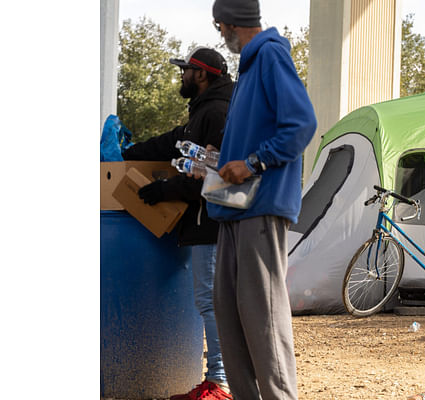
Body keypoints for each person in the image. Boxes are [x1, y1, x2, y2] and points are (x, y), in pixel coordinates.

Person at [208, 0, 317, 399]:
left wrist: (254, 162)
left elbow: (302, 123)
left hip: (261, 207)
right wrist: (213, 163)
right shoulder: (250, 68)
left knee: (262, 318)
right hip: (235, 209)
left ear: (230, 23)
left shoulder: (269, 55)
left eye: (220, 26)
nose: (220, 34)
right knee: (231, 315)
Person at [121, 46, 234, 400]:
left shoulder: (216, 113)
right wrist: (128, 152)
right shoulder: (203, 111)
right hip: (205, 222)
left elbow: (211, 176)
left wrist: (164, 190)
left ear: (200, 74)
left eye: (186, 70)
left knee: (212, 301)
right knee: (210, 300)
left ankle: (220, 383)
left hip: (212, 221)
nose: (182, 75)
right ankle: (216, 379)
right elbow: (175, 142)